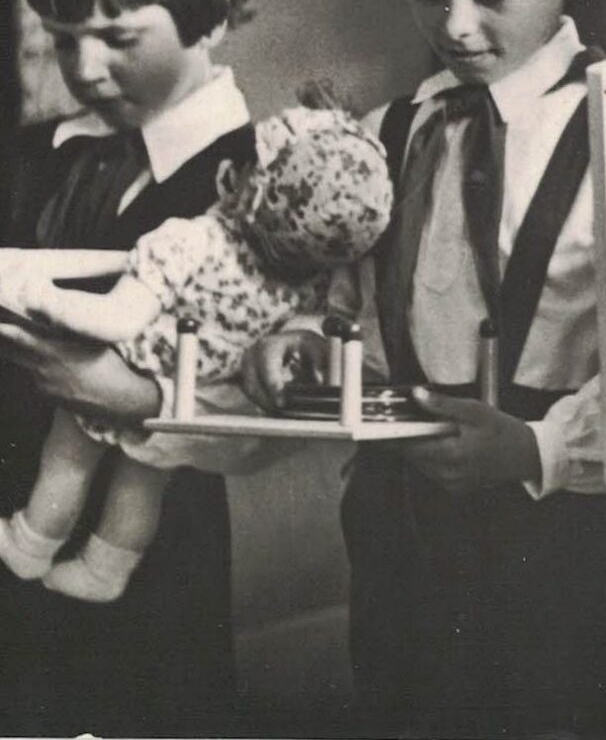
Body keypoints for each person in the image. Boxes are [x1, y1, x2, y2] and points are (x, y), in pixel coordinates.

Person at [247, 0, 606, 738]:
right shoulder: (384, 135)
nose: (455, 27)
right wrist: (303, 346)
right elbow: (350, 309)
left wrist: (535, 451)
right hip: (400, 524)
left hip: (569, 524)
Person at [0, 0, 262, 735]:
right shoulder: (39, 155)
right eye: (62, 38)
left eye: (118, 40)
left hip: (153, 542)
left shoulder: (254, 179)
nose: (85, 68)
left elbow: (271, 371)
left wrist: (142, 395)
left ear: (210, 19)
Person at [0, 99, 388, 602]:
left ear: (250, 186)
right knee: (144, 480)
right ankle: (105, 568)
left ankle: (30, 543)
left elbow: (120, 315)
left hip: (134, 362)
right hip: (188, 396)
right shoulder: (305, 288)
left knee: (67, 458)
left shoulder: (196, 240)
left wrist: (44, 299)